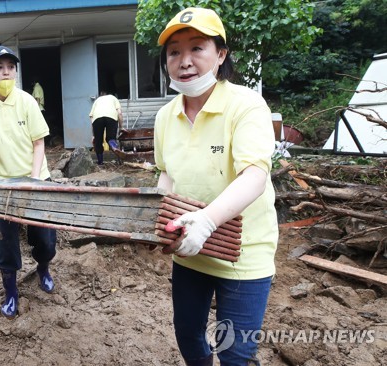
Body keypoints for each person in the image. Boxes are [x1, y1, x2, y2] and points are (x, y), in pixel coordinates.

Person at [154, 8, 278, 366]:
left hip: (243, 253)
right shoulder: (166, 116)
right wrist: (161, 219)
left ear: (221, 55)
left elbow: (254, 175)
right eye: (174, 51)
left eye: (197, 48)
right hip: (189, 249)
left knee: (237, 353)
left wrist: (206, 221)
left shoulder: (246, 105)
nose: (185, 61)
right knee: (188, 334)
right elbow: (166, 175)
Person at [0, 45, 57, 319]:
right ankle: (11, 292)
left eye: (10, 66)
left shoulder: (27, 101)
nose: (6, 71)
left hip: (35, 176)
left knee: (44, 237)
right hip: (6, 183)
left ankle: (43, 267)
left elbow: (39, 142)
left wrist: (34, 179)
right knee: (7, 240)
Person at [88, 90, 124, 165]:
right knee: (110, 138)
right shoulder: (113, 98)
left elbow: (91, 118)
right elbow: (119, 113)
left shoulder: (97, 100)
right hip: (111, 117)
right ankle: (113, 146)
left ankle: (100, 162)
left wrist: (94, 135)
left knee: (98, 141)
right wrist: (121, 127)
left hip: (97, 119)